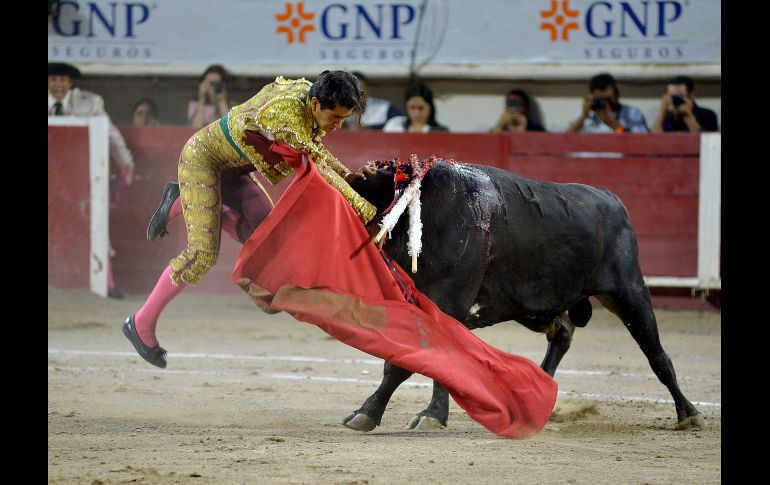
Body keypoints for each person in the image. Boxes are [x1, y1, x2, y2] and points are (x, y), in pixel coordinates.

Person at [123, 70, 377, 369]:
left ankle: (186, 202)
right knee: (202, 254)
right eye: (335, 117)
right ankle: (140, 323)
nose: (338, 125)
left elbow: (316, 151)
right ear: (315, 105)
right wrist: (365, 210)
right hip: (203, 161)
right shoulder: (286, 116)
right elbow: (315, 166)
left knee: (264, 236)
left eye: (343, 119)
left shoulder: (310, 98)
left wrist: (348, 175)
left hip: (235, 168)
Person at [48, 62, 133, 299]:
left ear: (70, 83)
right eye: (53, 80)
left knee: (97, 224)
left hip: (82, 181)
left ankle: (108, 283)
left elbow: (111, 134)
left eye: (62, 80)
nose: (57, 85)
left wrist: (126, 164)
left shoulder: (90, 103)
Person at [567, 73, 648, 133]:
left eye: (608, 99)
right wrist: (583, 117)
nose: (606, 104)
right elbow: (566, 140)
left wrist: (613, 124)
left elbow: (639, 142)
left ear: (617, 94)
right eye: (602, 99)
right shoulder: (587, 114)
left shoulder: (633, 113)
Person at [651, 76, 719, 132]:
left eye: (679, 96)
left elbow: (705, 141)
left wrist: (687, 115)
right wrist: (662, 111)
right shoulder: (668, 116)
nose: (676, 100)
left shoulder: (707, 115)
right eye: (672, 97)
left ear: (691, 95)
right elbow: (653, 139)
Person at [382, 83, 449, 132]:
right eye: (412, 108)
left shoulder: (440, 132)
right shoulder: (395, 126)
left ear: (430, 107)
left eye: (421, 108)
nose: (417, 113)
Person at [188, 64, 232, 129]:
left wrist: (222, 102)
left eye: (216, 83)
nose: (211, 87)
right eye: (209, 83)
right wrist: (202, 98)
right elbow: (194, 129)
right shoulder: (194, 105)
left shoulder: (233, 106)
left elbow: (230, 130)